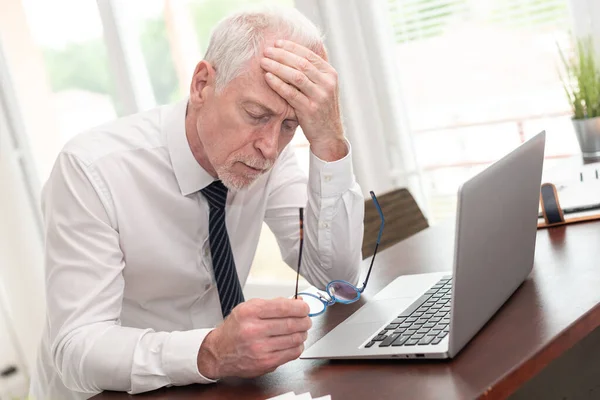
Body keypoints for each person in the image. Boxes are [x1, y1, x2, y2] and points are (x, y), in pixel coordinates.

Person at [29, 5, 364, 399]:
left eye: (290, 125)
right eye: (256, 114)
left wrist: (328, 139)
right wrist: (210, 352)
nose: (270, 147)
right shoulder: (91, 170)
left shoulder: (267, 154)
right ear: (202, 84)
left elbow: (337, 277)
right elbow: (77, 350)